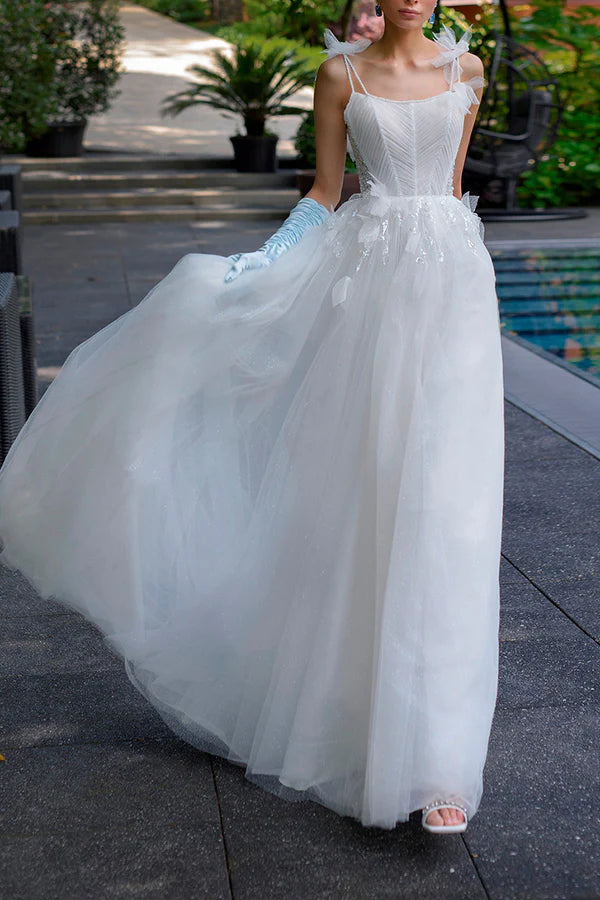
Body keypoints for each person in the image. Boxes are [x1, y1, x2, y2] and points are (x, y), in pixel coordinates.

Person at [0, 1, 504, 835]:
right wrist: (266, 260)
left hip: (452, 292)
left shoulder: (469, 71)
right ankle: (349, 714)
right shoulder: (341, 73)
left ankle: (441, 759)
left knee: (448, 512)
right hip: (368, 293)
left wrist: (461, 272)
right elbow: (326, 189)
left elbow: (451, 191)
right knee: (361, 500)